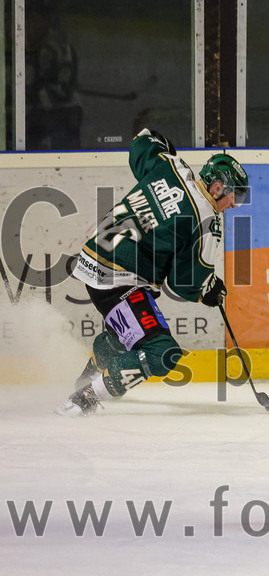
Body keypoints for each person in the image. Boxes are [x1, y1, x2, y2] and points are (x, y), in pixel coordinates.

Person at [56, 129, 248, 416]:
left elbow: (140, 142)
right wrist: (208, 289)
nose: (234, 205)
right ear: (218, 187)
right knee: (162, 352)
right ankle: (84, 397)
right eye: (235, 197)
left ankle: (88, 377)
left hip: (93, 260)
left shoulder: (172, 166)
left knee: (127, 333)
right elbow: (185, 285)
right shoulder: (206, 220)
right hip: (118, 278)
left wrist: (165, 144)